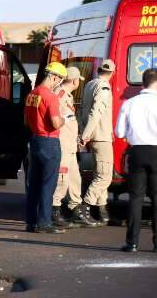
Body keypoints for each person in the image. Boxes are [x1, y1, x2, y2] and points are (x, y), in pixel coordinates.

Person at [115, 68, 157, 252]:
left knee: (135, 198)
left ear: (143, 82)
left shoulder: (130, 103)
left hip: (137, 152)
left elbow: (119, 132)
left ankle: (132, 242)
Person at [24, 62, 70, 233]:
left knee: (34, 184)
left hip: (35, 140)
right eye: (59, 79)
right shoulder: (50, 96)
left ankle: (31, 222)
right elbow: (56, 123)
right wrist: (66, 119)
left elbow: (26, 121)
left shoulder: (31, 94)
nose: (59, 82)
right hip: (49, 142)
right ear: (53, 76)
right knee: (48, 185)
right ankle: (44, 223)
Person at [52, 67, 91, 227]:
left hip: (70, 143)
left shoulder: (66, 95)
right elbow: (57, 119)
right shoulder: (59, 95)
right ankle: (55, 211)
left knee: (75, 178)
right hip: (63, 144)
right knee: (63, 178)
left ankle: (75, 209)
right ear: (74, 81)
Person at [79, 59, 115, 226]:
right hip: (101, 136)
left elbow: (82, 109)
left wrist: (84, 131)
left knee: (99, 173)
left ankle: (102, 211)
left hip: (94, 136)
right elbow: (97, 113)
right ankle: (85, 206)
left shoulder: (89, 85)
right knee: (105, 176)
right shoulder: (104, 88)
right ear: (112, 73)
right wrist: (86, 134)